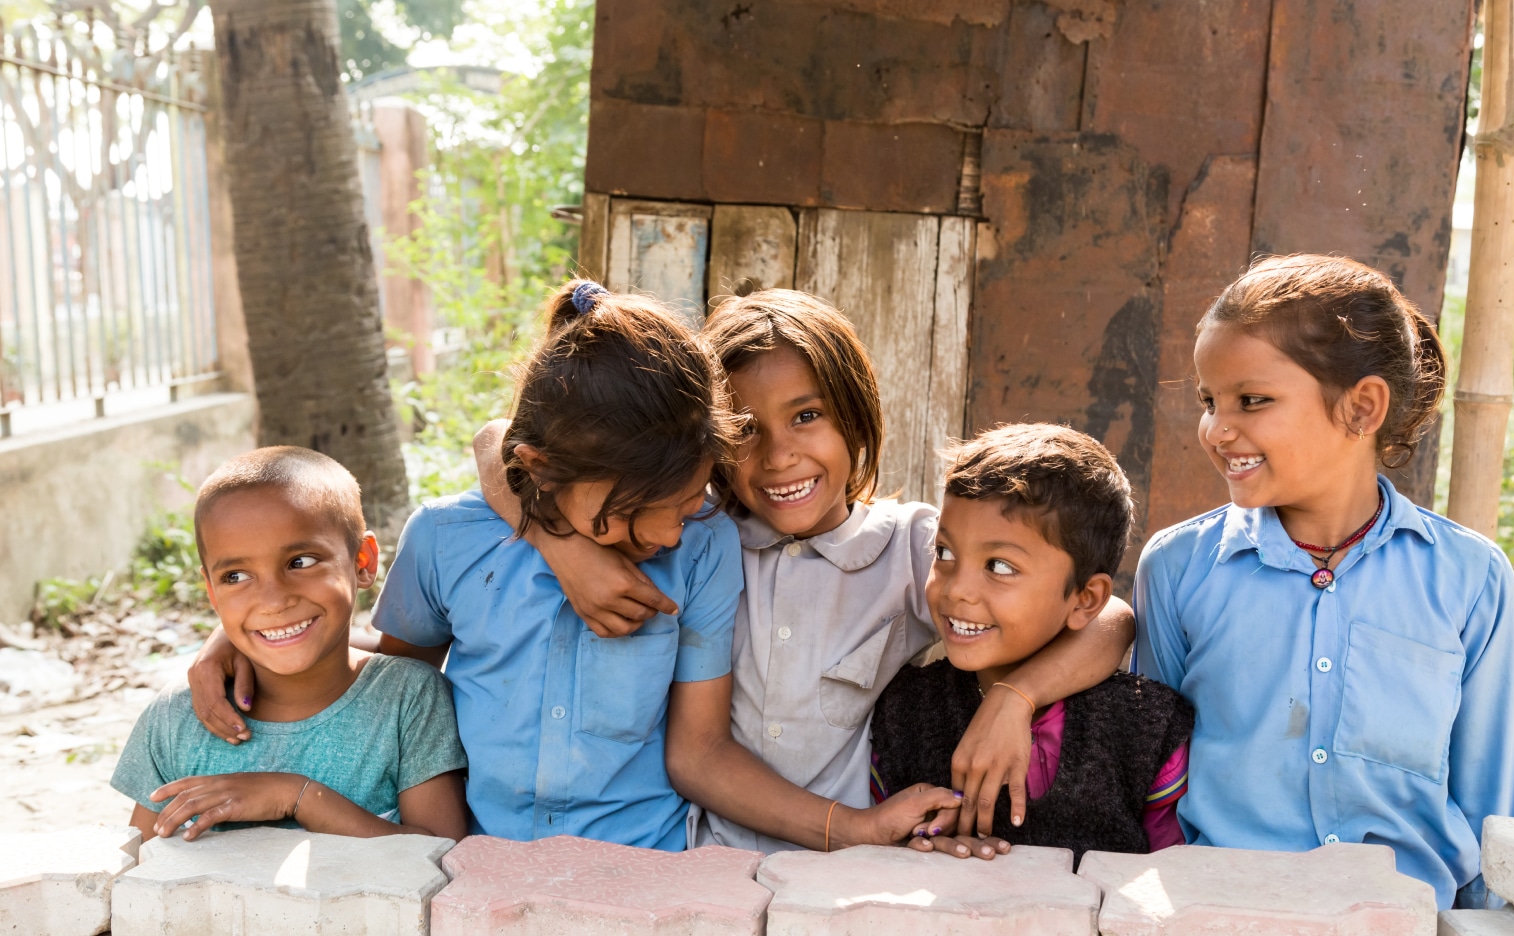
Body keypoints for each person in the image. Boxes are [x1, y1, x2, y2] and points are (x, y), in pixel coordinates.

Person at [187, 280, 961, 851]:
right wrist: (258, 636)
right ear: (545, 470)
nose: (663, 532)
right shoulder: (448, 541)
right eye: (630, 515)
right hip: (479, 863)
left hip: (654, 865)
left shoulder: (706, 541)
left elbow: (696, 750)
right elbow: (401, 691)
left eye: (689, 498)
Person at [472, 289, 1137, 857]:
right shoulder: (689, 536)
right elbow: (495, 438)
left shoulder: (913, 551)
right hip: (703, 863)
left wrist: (1014, 698)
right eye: (746, 430)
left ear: (855, 415)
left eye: (807, 416)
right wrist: (564, 549)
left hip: (846, 875)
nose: (780, 455)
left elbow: (1110, 619)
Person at [1133, 255, 1514, 910]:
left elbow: (1493, 809)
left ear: (1362, 407)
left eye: (1251, 400)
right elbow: (1153, 783)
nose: (1217, 428)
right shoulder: (1178, 569)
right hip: (1221, 916)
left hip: (1403, 920)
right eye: (1209, 401)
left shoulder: (1469, 580)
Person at [870, 423, 1192, 863]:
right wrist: (913, 852)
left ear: (1086, 598)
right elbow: (877, 860)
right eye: (944, 553)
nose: (956, 590)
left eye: (999, 565)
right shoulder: (904, 712)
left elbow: (1176, 884)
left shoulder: (1146, 730)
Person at [112, 447, 468, 843]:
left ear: (363, 561)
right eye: (236, 576)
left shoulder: (407, 699)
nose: (273, 600)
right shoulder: (175, 720)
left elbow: (441, 855)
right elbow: (138, 870)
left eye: (300, 562)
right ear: (211, 592)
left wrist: (297, 796)